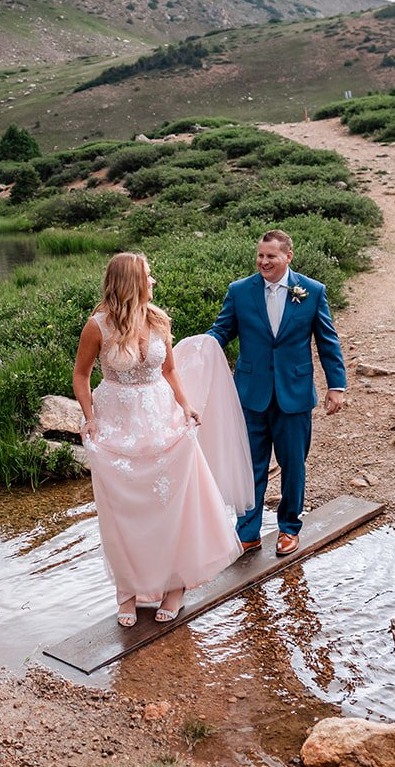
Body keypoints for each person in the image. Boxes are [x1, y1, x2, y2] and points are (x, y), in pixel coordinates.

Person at [73, 253, 247, 627]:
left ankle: (174, 588)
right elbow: (81, 376)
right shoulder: (97, 326)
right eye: (148, 276)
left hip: (159, 419)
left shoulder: (158, 319)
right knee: (122, 513)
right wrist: (89, 419)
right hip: (116, 425)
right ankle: (128, 593)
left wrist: (186, 407)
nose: (153, 282)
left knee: (169, 507)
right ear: (130, 282)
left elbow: (168, 369)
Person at [207, 229, 347, 556]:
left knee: (293, 464)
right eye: (260, 256)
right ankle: (248, 532)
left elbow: (328, 342)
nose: (264, 261)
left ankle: (289, 528)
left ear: (288, 257)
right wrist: (196, 348)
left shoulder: (312, 291)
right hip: (251, 394)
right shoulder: (240, 291)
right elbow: (221, 331)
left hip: (294, 394)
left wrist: (336, 385)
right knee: (251, 465)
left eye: (271, 256)